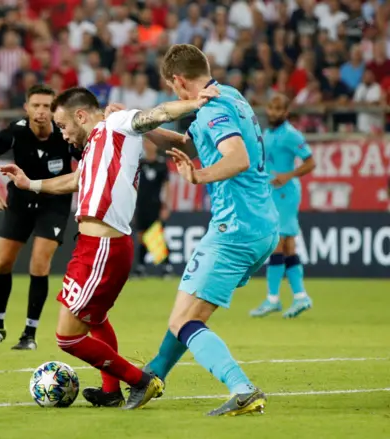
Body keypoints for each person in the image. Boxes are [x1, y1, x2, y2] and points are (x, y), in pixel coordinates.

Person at [0, 85, 217, 409]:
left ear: (82, 115)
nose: (63, 134)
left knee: (67, 337)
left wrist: (192, 103)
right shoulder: (97, 147)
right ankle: (111, 391)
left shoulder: (116, 124)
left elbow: (156, 114)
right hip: (92, 245)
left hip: (103, 247)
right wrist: (29, 183)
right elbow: (75, 181)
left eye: (63, 125)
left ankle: (142, 381)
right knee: (96, 320)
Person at [132, 44, 279, 415]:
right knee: (183, 315)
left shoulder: (212, 109)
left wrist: (197, 176)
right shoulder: (230, 96)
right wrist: (140, 124)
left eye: (173, 87)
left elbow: (238, 157)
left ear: (179, 81)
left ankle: (242, 388)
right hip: (259, 223)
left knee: (185, 320)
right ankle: (150, 376)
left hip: (235, 227)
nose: (175, 94)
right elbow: (187, 143)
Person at [0, 84, 82, 351]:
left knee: (39, 264)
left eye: (47, 106)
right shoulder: (14, 133)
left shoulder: (65, 134)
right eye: (35, 105)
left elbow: (85, 161)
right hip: (20, 203)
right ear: (27, 108)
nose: (41, 111)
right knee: (1, 262)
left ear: (55, 110)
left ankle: (29, 334)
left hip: (55, 205)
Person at [250, 94, 315, 318]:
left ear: (286, 112)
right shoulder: (269, 133)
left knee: (278, 243)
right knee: (286, 246)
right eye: (271, 108)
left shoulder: (290, 134)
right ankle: (298, 296)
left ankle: (273, 299)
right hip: (272, 192)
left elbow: (310, 162)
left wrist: (289, 175)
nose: (273, 113)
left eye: (278, 109)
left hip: (285, 194)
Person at [133, 139, 172, 277]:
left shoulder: (162, 164)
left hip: (156, 205)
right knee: (141, 236)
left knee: (157, 235)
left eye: (152, 143)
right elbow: (134, 185)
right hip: (141, 204)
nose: (149, 145)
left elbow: (167, 186)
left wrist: (166, 205)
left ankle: (166, 266)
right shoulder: (140, 164)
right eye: (147, 143)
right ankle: (141, 267)